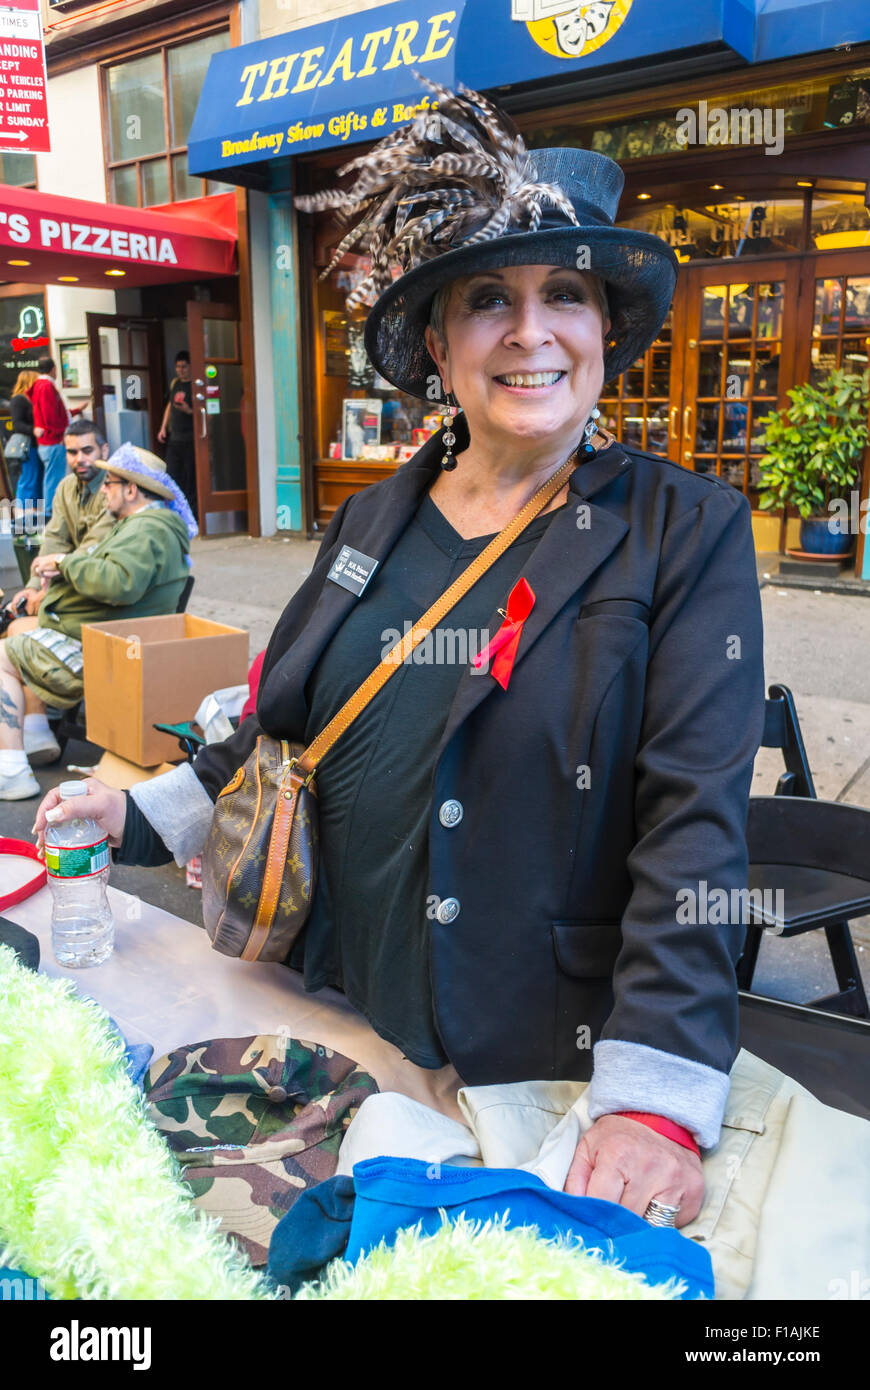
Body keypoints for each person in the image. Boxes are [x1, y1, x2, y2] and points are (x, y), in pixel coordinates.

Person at [34, 84, 765, 1230]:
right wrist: (130, 817)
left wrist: (656, 1101)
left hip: (539, 1064)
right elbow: (281, 719)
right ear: (437, 341)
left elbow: (696, 824)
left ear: (604, 328)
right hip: (334, 1011)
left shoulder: (686, 532)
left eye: (564, 294)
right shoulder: (376, 517)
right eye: (490, 299)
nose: (532, 332)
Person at [1, 444, 196, 799]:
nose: (103, 490)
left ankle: (12, 771)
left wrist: (64, 564)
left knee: (3, 655)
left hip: (105, 649)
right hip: (105, 635)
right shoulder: (144, 525)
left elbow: (118, 582)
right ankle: (34, 736)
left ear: (131, 489)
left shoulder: (150, 528)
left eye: (109, 483)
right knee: (20, 629)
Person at [5, 418, 114, 766]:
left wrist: (47, 594)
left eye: (87, 450)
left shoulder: (112, 490)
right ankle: (36, 727)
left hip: (93, 601)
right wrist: (33, 586)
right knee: (20, 615)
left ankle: (33, 728)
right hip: (72, 587)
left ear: (104, 451)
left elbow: (92, 555)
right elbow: (53, 538)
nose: (79, 458)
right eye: (71, 451)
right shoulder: (67, 487)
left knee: (20, 630)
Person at [158, 350, 197, 516]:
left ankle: (193, 514)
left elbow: (205, 413)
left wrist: (189, 410)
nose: (181, 370)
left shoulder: (196, 385)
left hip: (191, 439)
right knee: (172, 476)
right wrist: (163, 427)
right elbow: (169, 406)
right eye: (178, 366)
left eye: (184, 366)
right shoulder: (175, 384)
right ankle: (175, 512)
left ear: (190, 367)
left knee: (191, 480)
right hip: (175, 438)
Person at [30, 356, 71, 516]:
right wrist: (60, 435)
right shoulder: (46, 386)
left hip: (47, 441)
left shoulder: (39, 385)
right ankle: (51, 512)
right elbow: (50, 415)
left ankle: (51, 511)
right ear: (53, 369)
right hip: (53, 441)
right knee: (54, 479)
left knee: (51, 477)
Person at [8, 368, 40, 512]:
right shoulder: (18, 400)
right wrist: (34, 429)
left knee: (36, 478)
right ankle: (24, 513)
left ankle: (34, 512)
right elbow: (17, 424)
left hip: (36, 445)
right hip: (28, 446)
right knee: (28, 478)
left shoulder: (31, 399)